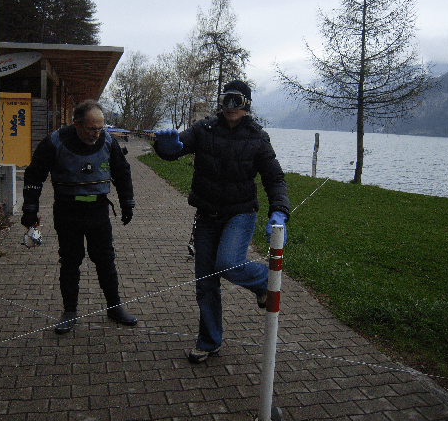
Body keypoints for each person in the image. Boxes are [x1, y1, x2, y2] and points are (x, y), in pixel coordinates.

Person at [154, 80, 290, 363]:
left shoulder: (258, 138)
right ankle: (209, 341)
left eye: (236, 101)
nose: (230, 107)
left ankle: (264, 280)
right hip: (207, 215)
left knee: (228, 263)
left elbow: (275, 179)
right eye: (225, 99)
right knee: (205, 284)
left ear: (246, 105)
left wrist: (279, 211)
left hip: (240, 213)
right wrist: (165, 148)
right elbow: (177, 148)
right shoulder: (203, 129)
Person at [21, 99, 137, 334]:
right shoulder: (55, 142)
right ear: (77, 124)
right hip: (68, 211)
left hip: (98, 210)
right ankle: (69, 311)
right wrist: (30, 210)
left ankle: (114, 307)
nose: (97, 134)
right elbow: (34, 175)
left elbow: (122, 172)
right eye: (92, 129)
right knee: (70, 261)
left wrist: (127, 203)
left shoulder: (108, 141)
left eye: (100, 128)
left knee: (105, 260)